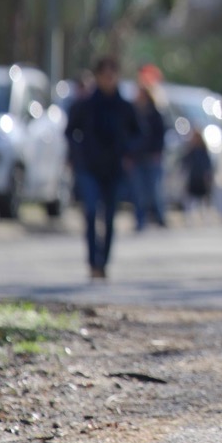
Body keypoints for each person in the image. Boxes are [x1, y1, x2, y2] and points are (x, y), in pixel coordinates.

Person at [65, 56, 139, 280]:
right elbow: (71, 132)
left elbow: (138, 134)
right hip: (89, 167)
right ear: (97, 76)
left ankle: (103, 262)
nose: (108, 79)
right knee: (90, 212)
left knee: (108, 218)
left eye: (112, 75)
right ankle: (92, 262)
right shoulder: (86, 104)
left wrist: (128, 153)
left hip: (114, 169)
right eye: (104, 75)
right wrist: (77, 155)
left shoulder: (124, 107)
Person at [130, 83, 168, 230]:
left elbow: (161, 135)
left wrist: (158, 151)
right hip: (137, 157)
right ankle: (140, 219)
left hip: (152, 157)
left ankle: (160, 216)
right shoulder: (133, 112)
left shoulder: (155, 113)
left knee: (155, 190)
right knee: (138, 191)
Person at [180, 128, 214, 222]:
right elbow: (184, 162)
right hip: (193, 178)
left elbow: (208, 165)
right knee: (191, 199)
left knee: (203, 199)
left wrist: (208, 176)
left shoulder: (204, 151)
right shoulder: (190, 151)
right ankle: (189, 218)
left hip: (201, 179)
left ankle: (205, 218)